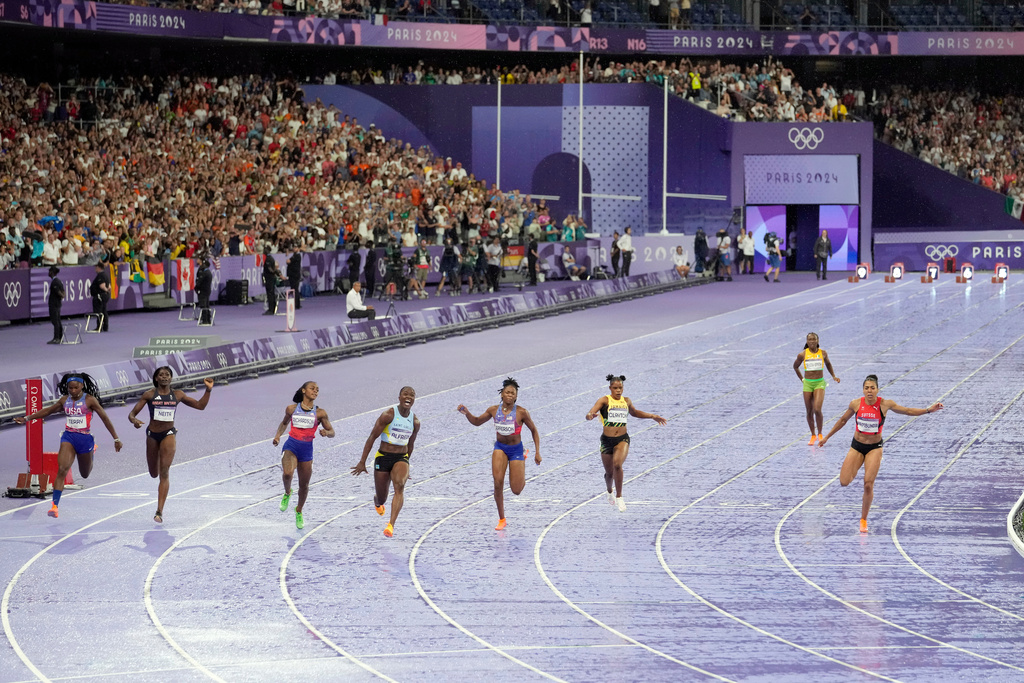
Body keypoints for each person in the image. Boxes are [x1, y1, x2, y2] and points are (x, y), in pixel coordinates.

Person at [818, 375, 943, 533]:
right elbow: (843, 420)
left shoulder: (885, 404)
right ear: (863, 390)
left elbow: (907, 411)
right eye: (866, 388)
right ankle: (856, 466)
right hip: (857, 446)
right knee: (844, 482)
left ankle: (863, 519)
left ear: (877, 390)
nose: (869, 391)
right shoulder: (856, 404)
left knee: (868, 484)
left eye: (872, 388)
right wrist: (827, 437)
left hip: (874, 448)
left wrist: (928, 410)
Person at [14, 373, 123, 518]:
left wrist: (116, 438)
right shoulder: (65, 400)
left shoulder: (90, 400)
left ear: (82, 386)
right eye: (70, 388)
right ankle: (54, 506)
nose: (72, 391)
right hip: (69, 437)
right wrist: (27, 418)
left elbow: (105, 418)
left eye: (76, 388)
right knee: (62, 469)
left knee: (85, 474)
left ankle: (92, 450)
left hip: (84, 439)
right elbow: (48, 411)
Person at [128, 367, 214, 524]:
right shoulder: (149, 395)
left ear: (171, 379)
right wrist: (134, 421)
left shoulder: (177, 395)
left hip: (168, 434)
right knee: (153, 473)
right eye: (161, 375)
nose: (164, 377)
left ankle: (159, 511)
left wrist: (208, 391)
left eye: (167, 375)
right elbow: (131, 414)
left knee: (164, 472)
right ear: (156, 378)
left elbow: (200, 406)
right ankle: (160, 456)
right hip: (152, 436)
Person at [457, 377, 542, 530]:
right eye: (507, 392)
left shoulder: (522, 412)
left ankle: (523, 459)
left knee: (516, 490)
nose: (509, 395)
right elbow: (476, 421)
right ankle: (502, 518)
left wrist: (537, 452)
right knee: (497, 482)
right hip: (500, 448)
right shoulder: (493, 410)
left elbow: (534, 431)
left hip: (516, 450)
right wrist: (467, 413)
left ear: (516, 396)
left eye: (513, 393)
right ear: (501, 394)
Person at [585, 374, 667, 511]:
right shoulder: (604, 400)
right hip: (606, 441)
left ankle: (619, 497)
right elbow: (590, 413)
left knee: (617, 464)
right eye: (615, 388)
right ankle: (609, 491)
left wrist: (653, 416)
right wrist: (590, 416)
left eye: (620, 388)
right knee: (609, 473)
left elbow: (635, 413)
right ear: (610, 388)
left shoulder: (626, 401)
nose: (618, 391)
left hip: (622, 439)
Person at [351, 386, 421, 538]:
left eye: (412, 395)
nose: (409, 397)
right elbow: (372, 437)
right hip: (383, 457)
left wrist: (406, 464)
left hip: (401, 458)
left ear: (414, 400)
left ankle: (391, 525)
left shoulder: (415, 422)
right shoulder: (388, 415)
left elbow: (411, 444)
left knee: (400, 486)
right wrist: (362, 462)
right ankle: (377, 502)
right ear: (399, 397)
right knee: (382, 496)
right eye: (405, 394)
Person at [272, 381, 336, 530]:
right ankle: (287, 492)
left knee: (304, 485)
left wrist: (327, 433)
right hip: (291, 446)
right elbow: (284, 423)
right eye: (312, 388)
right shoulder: (291, 409)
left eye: (317, 390)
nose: (315, 391)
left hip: (307, 450)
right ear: (303, 391)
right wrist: (277, 436)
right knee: (287, 474)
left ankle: (299, 510)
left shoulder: (320, 413)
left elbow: (333, 432)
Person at [793, 332, 840, 446]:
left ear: (818, 341)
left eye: (814, 339)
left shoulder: (823, 353)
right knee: (809, 411)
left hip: (819, 383)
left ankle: (820, 433)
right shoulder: (802, 355)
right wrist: (802, 380)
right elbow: (795, 366)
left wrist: (833, 376)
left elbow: (828, 364)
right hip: (808, 384)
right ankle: (813, 435)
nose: (812, 341)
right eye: (810, 339)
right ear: (807, 341)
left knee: (817, 409)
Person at [47, 265, 65, 344]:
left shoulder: (55, 282)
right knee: (57, 320)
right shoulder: (59, 281)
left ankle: (57, 337)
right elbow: (63, 292)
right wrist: (62, 296)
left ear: (52, 272)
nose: (48, 273)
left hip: (54, 304)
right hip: (57, 303)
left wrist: (61, 296)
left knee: (55, 321)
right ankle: (60, 336)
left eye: (49, 271)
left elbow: (59, 292)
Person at [262, 250, 282, 315]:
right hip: (271, 278)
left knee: (270, 293)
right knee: (272, 293)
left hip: (269, 278)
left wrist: (274, 272)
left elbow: (270, 269)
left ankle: (271, 309)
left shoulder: (268, 259)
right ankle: (273, 308)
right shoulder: (272, 258)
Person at [91, 262, 110, 332]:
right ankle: (105, 326)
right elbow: (109, 286)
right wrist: (107, 291)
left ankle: (99, 326)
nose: (95, 269)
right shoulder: (106, 275)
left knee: (99, 311)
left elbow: (102, 286)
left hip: (100, 295)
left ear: (99, 268)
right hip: (104, 295)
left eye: (96, 267)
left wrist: (106, 290)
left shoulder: (100, 276)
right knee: (104, 310)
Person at [195, 259, 213, 325]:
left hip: (203, 290)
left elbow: (199, 282)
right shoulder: (207, 272)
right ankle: (208, 319)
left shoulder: (205, 273)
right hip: (207, 290)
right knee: (206, 305)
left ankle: (205, 320)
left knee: (203, 305)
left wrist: (197, 288)